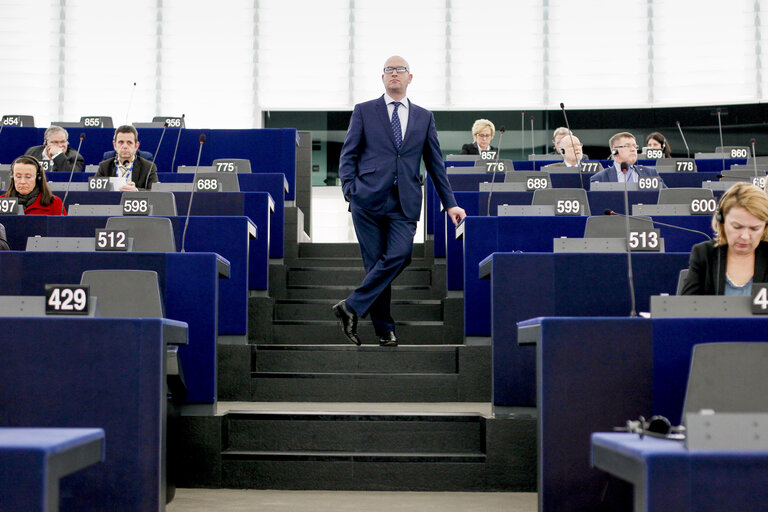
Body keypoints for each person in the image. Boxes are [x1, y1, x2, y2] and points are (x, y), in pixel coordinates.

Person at [333, 55, 466, 347]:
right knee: (375, 266)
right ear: (383, 78)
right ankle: (384, 330)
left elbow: (435, 163)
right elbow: (348, 154)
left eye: (400, 69)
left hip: (404, 202)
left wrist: (450, 202)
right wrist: (350, 190)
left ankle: (351, 306)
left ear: (410, 77)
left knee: (399, 255)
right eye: (389, 70)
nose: (394, 74)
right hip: (366, 200)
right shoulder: (364, 111)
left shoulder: (424, 116)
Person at [681, 182, 768, 295]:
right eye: (737, 227)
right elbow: (687, 306)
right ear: (721, 221)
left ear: (765, 227)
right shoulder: (704, 254)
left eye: (754, 229)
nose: (745, 236)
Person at [95, 125, 158, 191]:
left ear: (136, 146)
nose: (125, 146)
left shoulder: (149, 168)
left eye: (129, 143)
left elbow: (154, 193)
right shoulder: (104, 167)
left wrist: (136, 191)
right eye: (121, 142)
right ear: (115, 145)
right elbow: (94, 191)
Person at [590, 132, 665, 185]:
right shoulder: (599, 179)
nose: (633, 149)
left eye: (635, 146)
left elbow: (666, 197)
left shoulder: (651, 173)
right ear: (614, 151)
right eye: (628, 146)